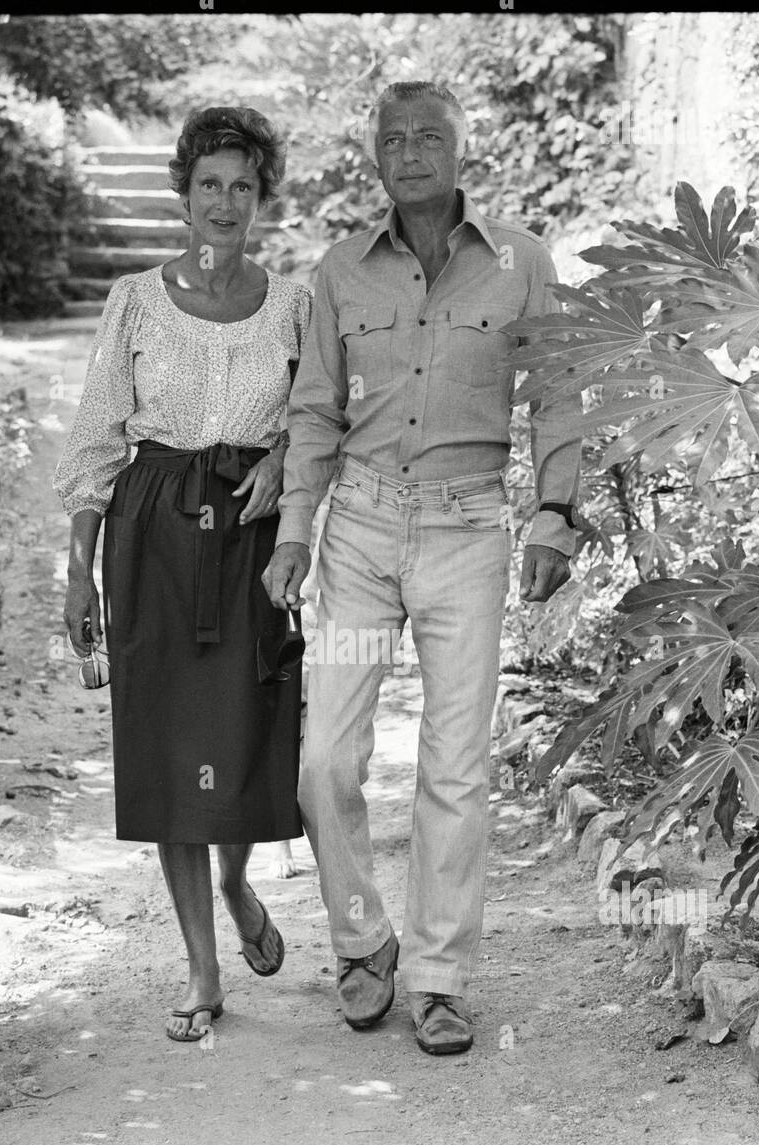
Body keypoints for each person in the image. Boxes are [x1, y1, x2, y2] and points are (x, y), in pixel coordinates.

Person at [263, 81, 582, 1055]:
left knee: (455, 766)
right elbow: (314, 410)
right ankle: (364, 942)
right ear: (376, 158)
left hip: (464, 533)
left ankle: (441, 978)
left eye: (429, 137)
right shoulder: (339, 272)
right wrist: (293, 531)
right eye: (393, 139)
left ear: (460, 150)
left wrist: (553, 520)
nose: (410, 153)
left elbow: (560, 394)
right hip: (358, 530)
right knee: (326, 761)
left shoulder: (521, 263)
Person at [55, 106, 311, 1042]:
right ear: (184, 191)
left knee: (250, 732)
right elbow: (94, 437)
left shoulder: (292, 304)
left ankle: (239, 882)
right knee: (169, 751)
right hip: (153, 531)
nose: (225, 202)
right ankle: (203, 969)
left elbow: (321, 414)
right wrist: (79, 570)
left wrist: (283, 458)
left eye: (243, 186)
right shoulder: (132, 300)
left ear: (261, 198)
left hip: (251, 533)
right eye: (209, 184)